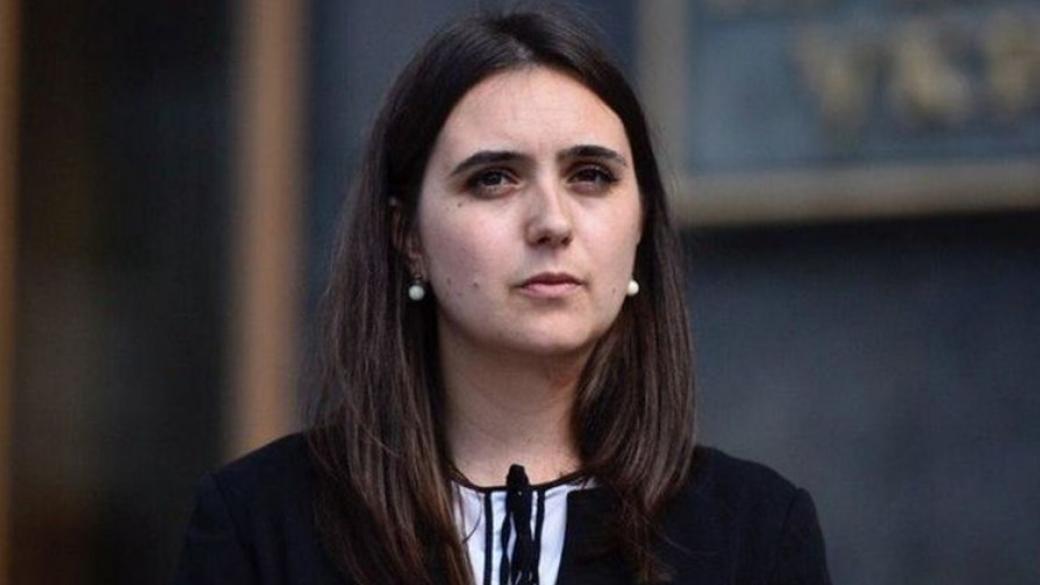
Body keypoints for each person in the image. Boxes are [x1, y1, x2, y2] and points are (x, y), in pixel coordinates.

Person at [174, 6, 831, 585]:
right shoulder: (260, 525)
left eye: (591, 175)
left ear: (640, 223)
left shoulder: (754, 533)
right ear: (408, 236)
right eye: (493, 179)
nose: (552, 221)